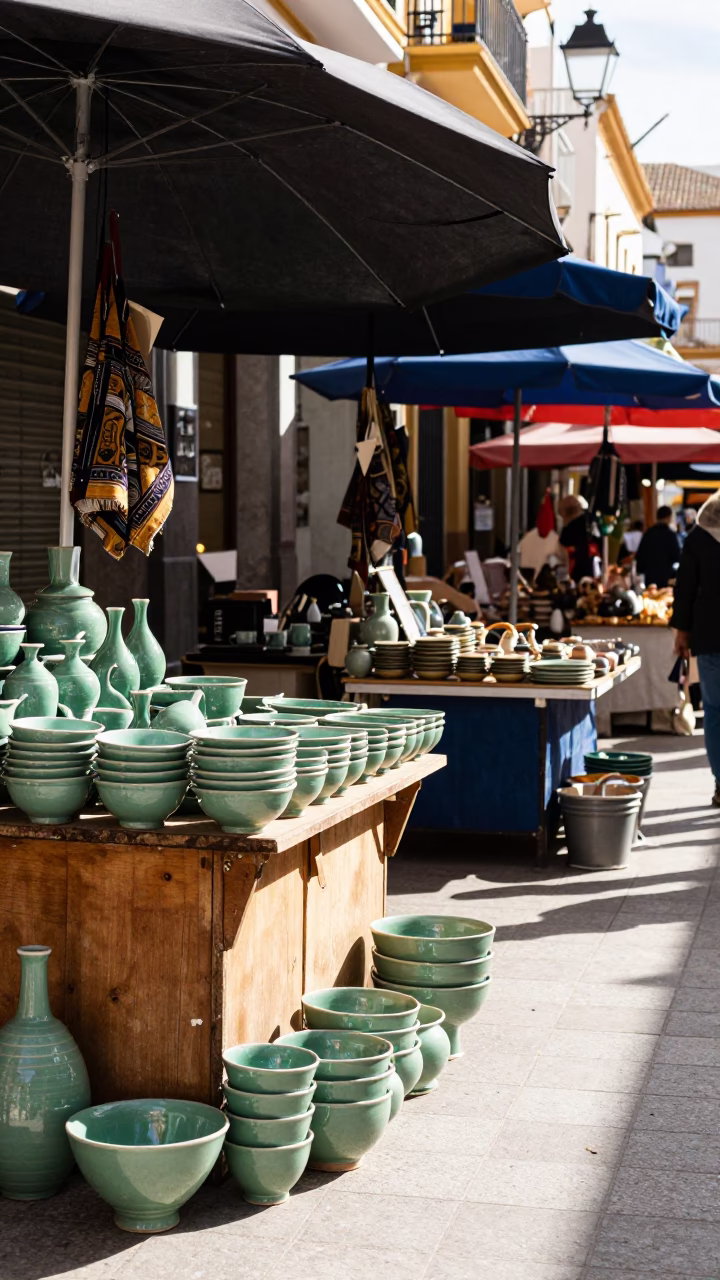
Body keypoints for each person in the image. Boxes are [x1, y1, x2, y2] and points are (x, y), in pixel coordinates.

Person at [672, 490, 720, 804]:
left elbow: (685, 588)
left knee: (715, 711)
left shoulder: (699, 537)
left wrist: (682, 632)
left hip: (711, 632)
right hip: (710, 634)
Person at [636, 505, 680, 588]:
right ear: (669, 517)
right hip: (665, 575)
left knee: (649, 597)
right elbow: (676, 556)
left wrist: (640, 570)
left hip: (649, 575)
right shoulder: (670, 534)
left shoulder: (648, 533)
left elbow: (640, 554)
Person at [558, 494, 598, 581]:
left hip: (576, 566)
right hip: (590, 565)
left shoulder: (570, 526)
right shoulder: (589, 521)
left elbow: (564, 544)